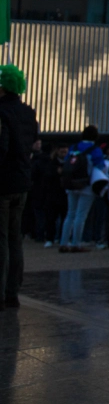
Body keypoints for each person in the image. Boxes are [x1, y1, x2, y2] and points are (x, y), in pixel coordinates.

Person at [0, 65, 37, 308]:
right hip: (22, 182)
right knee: (15, 238)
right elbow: (33, 142)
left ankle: (1, 295)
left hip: (2, 183)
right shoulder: (28, 112)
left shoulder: (1, 112)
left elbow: (1, 149)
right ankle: (13, 292)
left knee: (1, 239)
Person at [59, 125, 106, 253]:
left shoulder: (73, 147)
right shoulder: (95, 149)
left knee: (70, 214)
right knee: (81, 215)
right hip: (87, 185)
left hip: (71, 184)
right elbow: (100, 166)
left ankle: (63, 242)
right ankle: (76, 243)